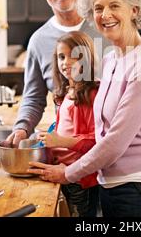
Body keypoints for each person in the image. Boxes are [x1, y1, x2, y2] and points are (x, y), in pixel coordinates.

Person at [28, 0, 141, 217]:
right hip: (111, 182)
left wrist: (68, 173)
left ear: (134, 11)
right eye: (98, 8)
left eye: (114, 6)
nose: (105, 15)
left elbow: (115, 142)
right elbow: (99, 123)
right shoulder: (110, 59)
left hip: (140, 186)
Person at [6, 0, 107, 146]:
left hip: (111, 153)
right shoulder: (38, 41)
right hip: (69, 152)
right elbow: (33, 97)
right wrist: (22, 128)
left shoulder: (106, 30)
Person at [37, 31, 99, 217]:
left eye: (74, 56)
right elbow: (66, 128)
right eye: (61, 57)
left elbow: (96, 141)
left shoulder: (91, 95)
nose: (66, 62)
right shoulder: (68, 91)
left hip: (79, 178)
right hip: (63, 172)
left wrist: (60, 141)